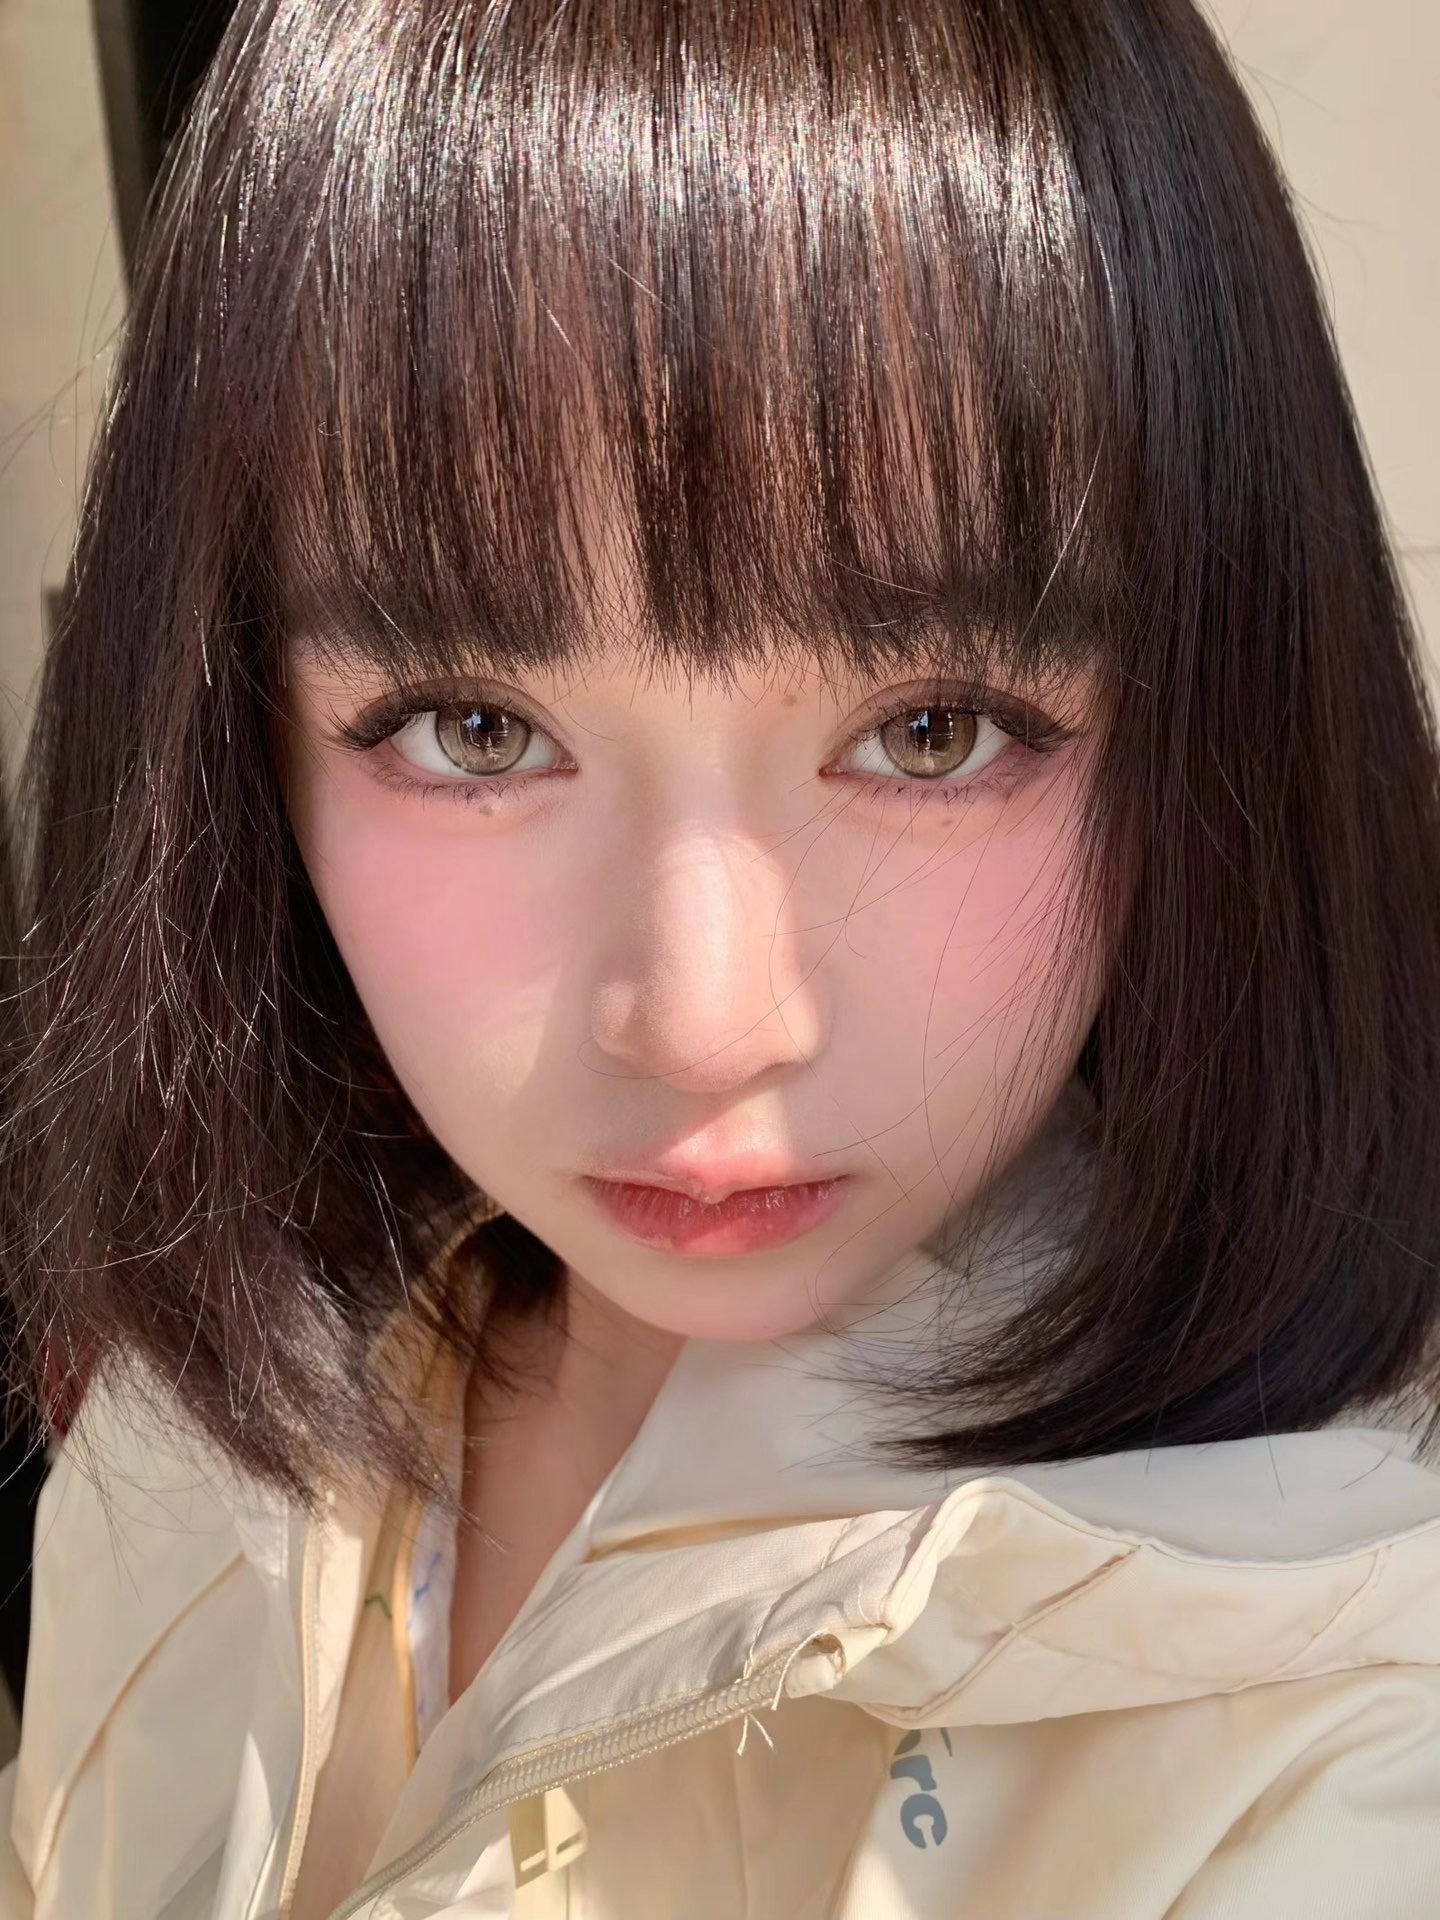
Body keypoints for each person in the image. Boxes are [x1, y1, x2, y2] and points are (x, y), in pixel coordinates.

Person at [2, 0, 1440, 1914]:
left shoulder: (1341, 1727)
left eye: (932, 730)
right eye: (476, 730)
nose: (703, 1025)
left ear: (1218, 712)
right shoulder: (190, 1421)